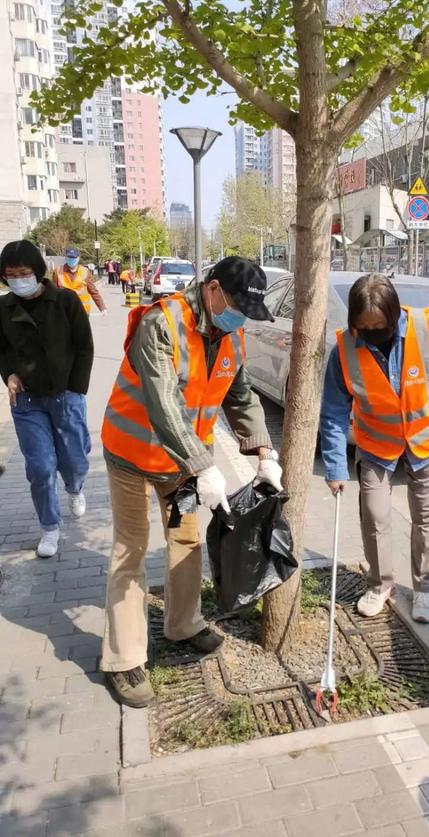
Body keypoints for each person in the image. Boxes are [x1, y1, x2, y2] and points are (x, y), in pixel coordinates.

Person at [100, 256, 283, 707]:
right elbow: (164, 405)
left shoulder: (233, 335)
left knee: (187, 542)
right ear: (213, 290)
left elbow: (240, 397)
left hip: (182, 463)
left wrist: (263, 450)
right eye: (236, 306)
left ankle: (182, 625)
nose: (239, 317)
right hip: (132, 453)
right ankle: (123, 661)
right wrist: (204, 466)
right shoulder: (162, 324)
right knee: (131, 552)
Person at [320, 273, 429, 624]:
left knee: (426, 516)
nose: (372, 332)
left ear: (395, 314)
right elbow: (334, 411)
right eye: (364, 326)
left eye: (380, 326)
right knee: (374, 513)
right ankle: (380, 584)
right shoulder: (344, 348)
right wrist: (336, 467)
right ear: (354, 321)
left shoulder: (428, 327)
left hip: (426, 441)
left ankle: (425, 590)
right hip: (375, 443)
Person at [0, 240, 93, 559]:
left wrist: (76, 389)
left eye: (24, 272)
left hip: (65, 395)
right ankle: (50, 528)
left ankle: (75, 487)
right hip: (26, 401)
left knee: (75, 460)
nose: (18, 279)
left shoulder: (65, 300)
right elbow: (2, 350)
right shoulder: (4, 308)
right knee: (39, 467)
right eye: (10, 274)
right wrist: (9, 374)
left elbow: (85, 346)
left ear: (38, 272)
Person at [53, 247, 107, 315]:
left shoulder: (85, 271)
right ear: (66, 258)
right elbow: (53, 292)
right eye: (69, 257)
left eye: (74, 257)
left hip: (82, 311)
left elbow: (93, 291)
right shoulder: (58, 271)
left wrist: (102, 307)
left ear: (78, 258)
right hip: (65, 310)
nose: (71, 260)